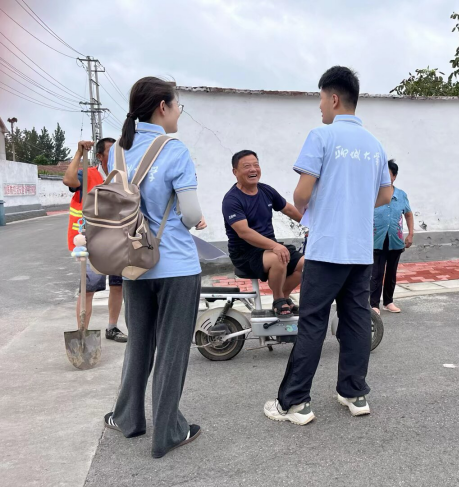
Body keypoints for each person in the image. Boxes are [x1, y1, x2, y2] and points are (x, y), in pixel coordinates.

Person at [264, 66, 392, 425]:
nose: (320, 106)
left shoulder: (321, 136)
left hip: (327, 248)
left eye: (321, 99)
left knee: (313, 323)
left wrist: (312, 207)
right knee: (356, 320)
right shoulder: (375, 144)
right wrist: (356, 204)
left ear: (334, 98)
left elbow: (302, 194)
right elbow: (386, 195)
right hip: (360, 250)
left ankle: (294, 403)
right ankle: (355, 393)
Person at [102, 76, 207, 458]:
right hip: (175, 264)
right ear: (163, 106)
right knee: (172, 350)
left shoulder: (117, 151)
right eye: (178, 105)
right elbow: (191, 214)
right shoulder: (174, 150)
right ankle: (168, 431)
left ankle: (127, 418)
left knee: (139, 344)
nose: (178, 112)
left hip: (132, 262)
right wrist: (190, 220)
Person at [222, 150, 304, 315]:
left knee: (306, 264)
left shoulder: (266, 190)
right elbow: (244, 232)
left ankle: (284, 297)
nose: (253, 169)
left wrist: (313, 226)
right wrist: (275, 246)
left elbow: (288, 209)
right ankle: (278, 299)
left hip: (268, 247)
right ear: (235, 172)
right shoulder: (231, 200)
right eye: (247, 166)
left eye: (256, 165)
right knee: (279, 256)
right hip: (245, 253)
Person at [63, 138, 127, 343]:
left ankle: (112, 327)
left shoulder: (122, 177)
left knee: (118, 285)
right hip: (92, 243)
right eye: (111, 151)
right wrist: (78, 153)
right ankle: (82, 332)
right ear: (99, 156)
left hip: (117, 241)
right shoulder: (88, 174)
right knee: (88, 289)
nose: (117, 155)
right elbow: (69, 180)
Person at [370, 159, 414, 314]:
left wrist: (410, 234)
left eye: (387, 174)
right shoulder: (373, 193)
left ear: (394, 176)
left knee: (391, 272)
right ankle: (374, 304)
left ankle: (388, 302)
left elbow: (408, 215)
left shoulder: (401, 195)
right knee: (376, 273)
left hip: (395, 240)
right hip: (376, 239)